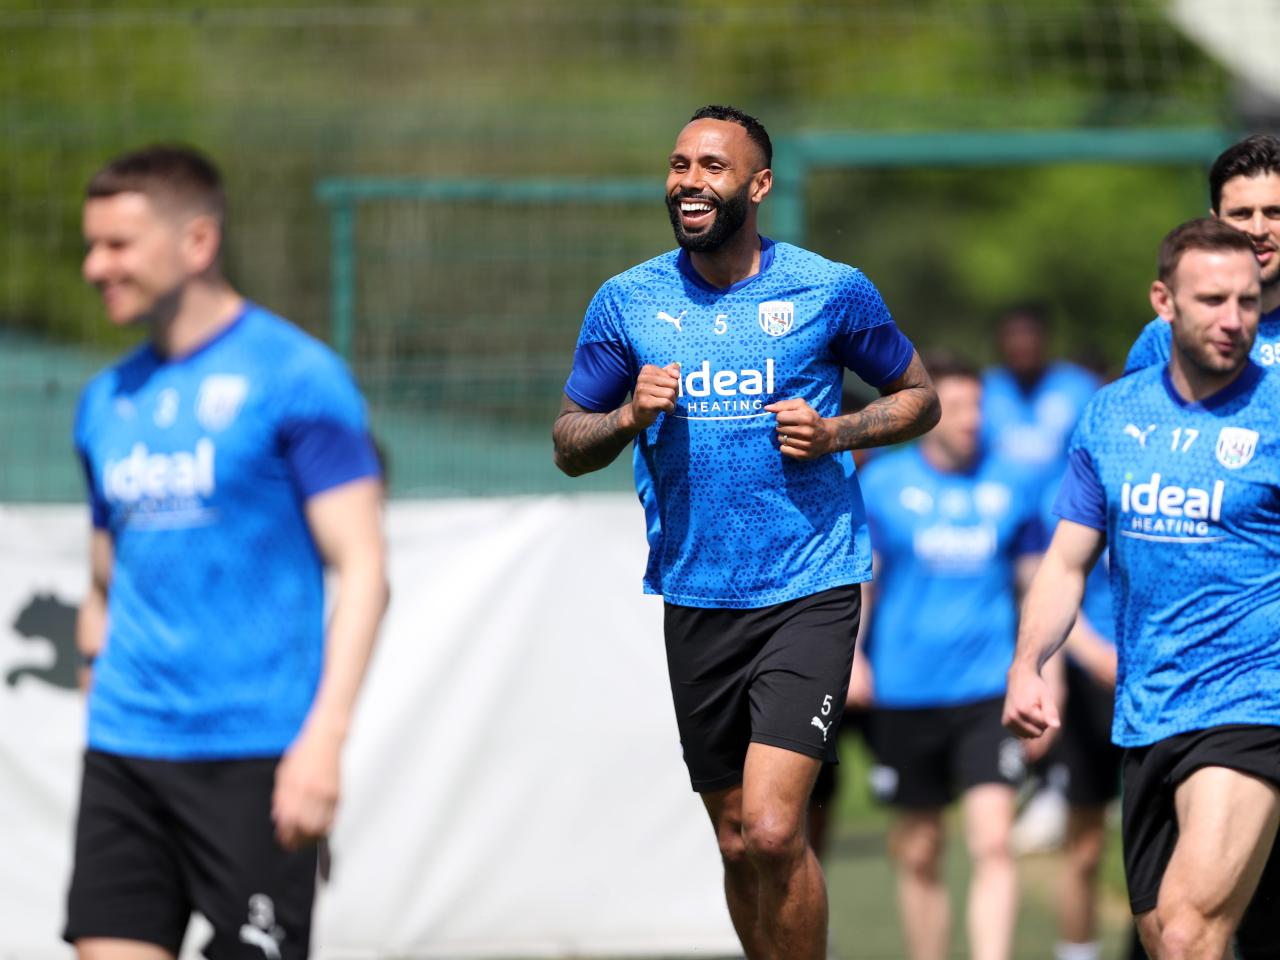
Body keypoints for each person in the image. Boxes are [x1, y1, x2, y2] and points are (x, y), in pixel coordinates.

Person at [552, 105, 939, 960]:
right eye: (680, 163)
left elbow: (921, 398)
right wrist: (625, 416)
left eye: (713, 166)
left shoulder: (829, 289)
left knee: (771, 828)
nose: (690, 180)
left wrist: (839, 432)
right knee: (734, 838)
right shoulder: (628, 302)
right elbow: (568, 442)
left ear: (758, 186)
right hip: (695, 595)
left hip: (809, 587)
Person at [68, 145, 389, 960]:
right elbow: (105, 576)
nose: (93, 265)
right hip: (127, 752)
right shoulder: (105, 401)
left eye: (117, 245)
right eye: (90, 244)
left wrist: (324, 741)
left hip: (256, 754)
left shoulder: (298, 376)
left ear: (198, 243)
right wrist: (93, 664)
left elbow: (363, 569)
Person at [1004, 217, 1280, 960]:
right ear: (1164, 302)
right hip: (1148, 710)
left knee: (1190, 930)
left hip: (1255, 703)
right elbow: (1065, 562)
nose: (1234, 319)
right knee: (1167, 940)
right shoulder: (1111, 415)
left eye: (1249, 302)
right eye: (1213, 299)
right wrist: (1028, 665)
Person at [850, 354, 1043, 960]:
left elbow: (1039, 586)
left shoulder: (1012, 485)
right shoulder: (882, 483)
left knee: (992, 844)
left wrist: (1042, 673)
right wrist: (852, 657)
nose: (969, 420)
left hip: (988, 690)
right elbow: (864, 582)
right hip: (906, 691)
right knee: (921, 850)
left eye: (977, 407)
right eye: (955, 407)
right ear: (927, 413)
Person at [1125, 134, 1280, 376]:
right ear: (1216, 223)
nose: (1258, 230)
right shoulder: (1168, 336)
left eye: (1274, 213)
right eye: (1241, 214)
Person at [982, 302, 1101, 492]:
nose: (1021, 344)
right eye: (1013, 335)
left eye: (1028, 334)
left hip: (1060, 508)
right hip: (998, 507)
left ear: (1045, 337)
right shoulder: (984, 390)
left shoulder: (1080, 388)